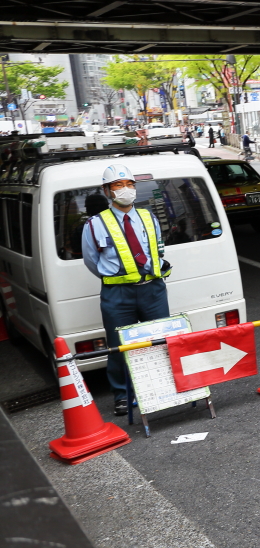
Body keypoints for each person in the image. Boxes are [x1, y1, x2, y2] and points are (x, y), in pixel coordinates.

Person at [82, 165, 172, 416]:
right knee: (119, 347)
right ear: (107, 191)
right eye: (118, 185)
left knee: (160, 340)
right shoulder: (94, 224)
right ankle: (123, 395)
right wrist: (117, 279)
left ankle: (162, 388)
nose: (125, 190)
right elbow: (91, 261)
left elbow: (158, 250)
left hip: (153, 290)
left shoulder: (148, 217)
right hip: (117, 295)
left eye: (129, 184)